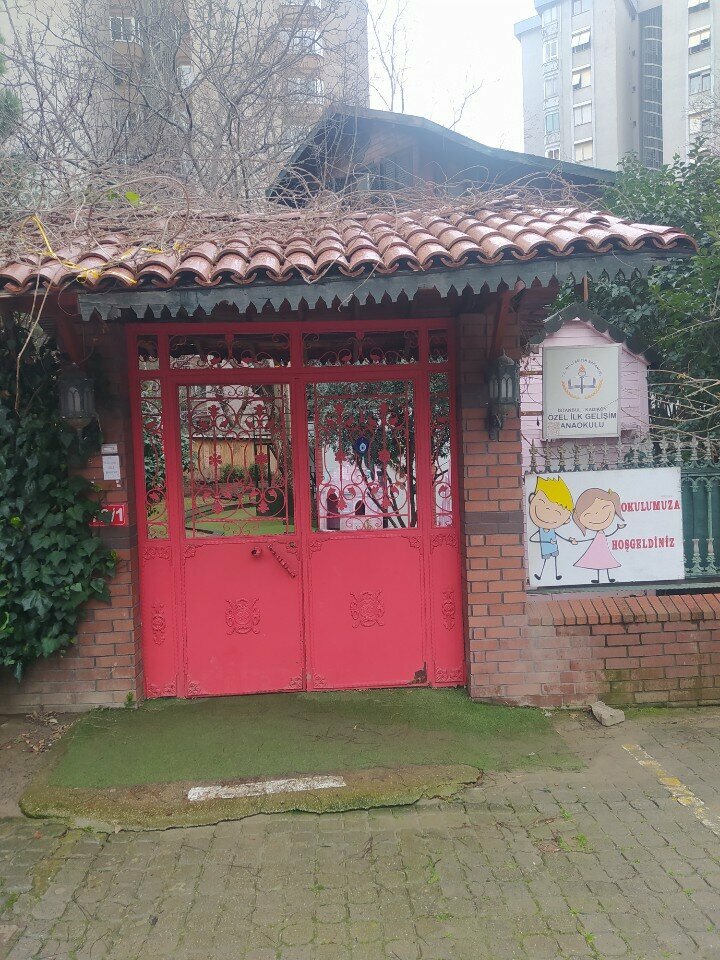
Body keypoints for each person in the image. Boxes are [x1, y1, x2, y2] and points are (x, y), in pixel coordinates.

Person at [572, 488, 626, 584]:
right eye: (588, 515)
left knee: (605, 561)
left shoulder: (602, 533)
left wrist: (618, 528)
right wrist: (577, 541)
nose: (597, 515)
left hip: (604, 549)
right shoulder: (597, 534)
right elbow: (590, 539)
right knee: (597, 562)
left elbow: (609, 534)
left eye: (605, 509)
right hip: (596, 549)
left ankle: (609, 578)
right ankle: (598, 579)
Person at [528, 477, 574, 582]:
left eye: (557, 513)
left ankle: (556, 575)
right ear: (532, 499)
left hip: (553, 547)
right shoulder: (540, 529)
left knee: (555, 560)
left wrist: (569, 540)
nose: (549, 514)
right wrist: (547, 541)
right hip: (545, 548)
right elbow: (532, 539)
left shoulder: (552, 529)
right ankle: (540, 576)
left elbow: (559, 536)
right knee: (545, 561)